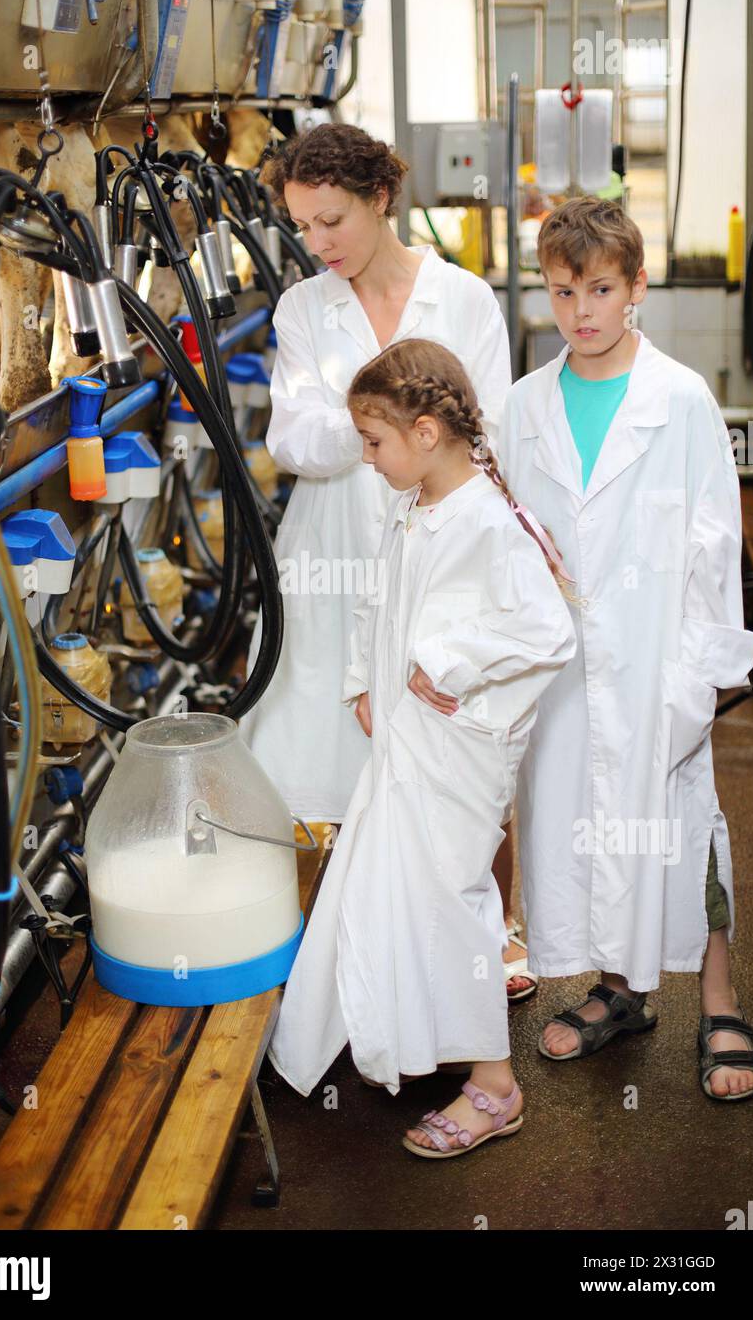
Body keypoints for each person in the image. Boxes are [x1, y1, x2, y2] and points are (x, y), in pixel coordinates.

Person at [238, 124, 536, 997]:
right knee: (327, 757)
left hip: (444, 549)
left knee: (467, 750)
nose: (316, 242)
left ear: (380, 200)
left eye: (331, 220)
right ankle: (357, 952)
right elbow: (292, 440)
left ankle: (496, 936)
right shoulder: (303, 307)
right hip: (330, 559)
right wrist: (390, 423)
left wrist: (364, 421)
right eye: (303, 225)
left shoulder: (465, 299)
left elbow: (487, 437)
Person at [266, 339, 577, 1156]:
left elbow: (546, 628)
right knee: (387, 887)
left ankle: (495, 1087)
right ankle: (390, 1033)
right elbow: (378, 599)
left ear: (429, 432)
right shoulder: (414, 504)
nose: (366, 458)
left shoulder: (487, 517)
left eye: (375, 442)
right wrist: (365, 681)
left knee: (452, 904)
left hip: (458, 751)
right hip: (408, 741)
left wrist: (450, 665)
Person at [498, 196, 753, 1101]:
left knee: (684, 830)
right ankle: (620, 992)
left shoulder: (681, 401)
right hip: (565, 677)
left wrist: (695, 682)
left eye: (602, 289)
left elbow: (713, 547)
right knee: (584, 828)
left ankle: (721, 1001)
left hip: (658, 668)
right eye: (565, 291)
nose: (582, 312)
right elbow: (511, 545)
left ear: (636, 286)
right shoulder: (523, 408)